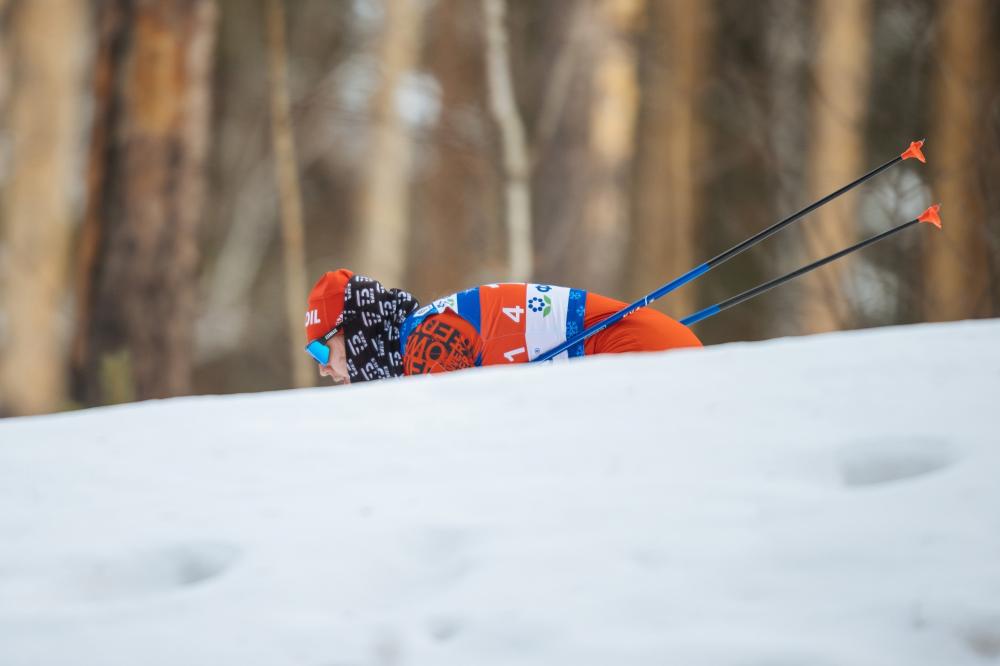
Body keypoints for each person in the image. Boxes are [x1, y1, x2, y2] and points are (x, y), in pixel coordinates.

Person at [304, 269, 702, 384]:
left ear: (356, 332)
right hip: (646, 345)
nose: (323, 368)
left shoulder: (427, 345)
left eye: (322, 350)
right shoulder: (420, 335)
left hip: (640, 351)